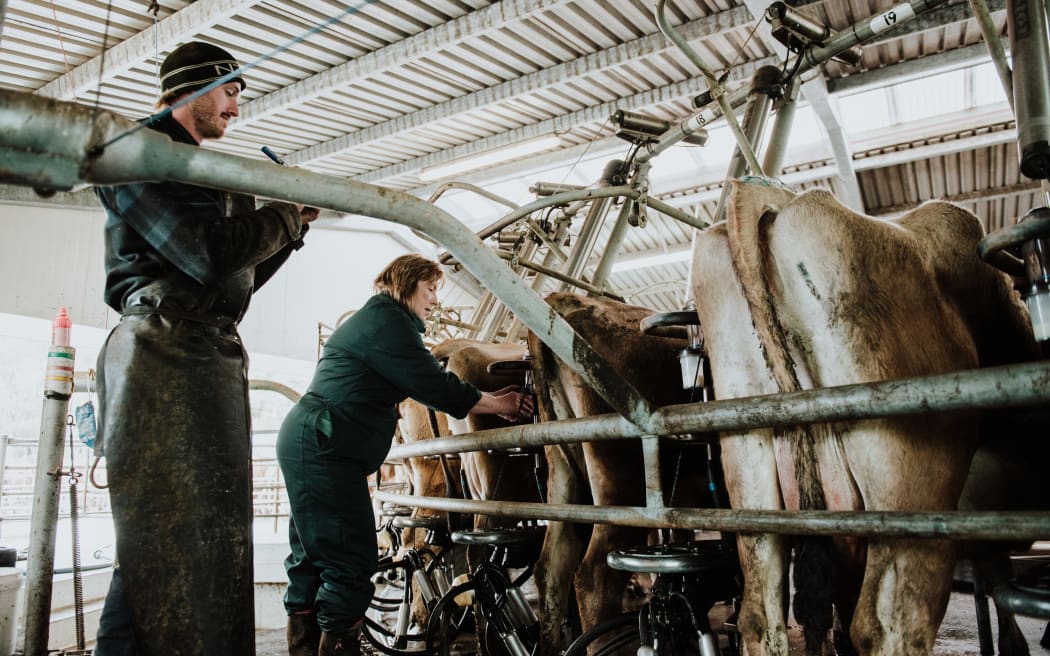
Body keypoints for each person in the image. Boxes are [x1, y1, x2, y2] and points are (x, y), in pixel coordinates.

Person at [92, 41, 318, 655]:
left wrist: (289, 232)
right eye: (231, 91)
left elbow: (229, 275)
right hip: (164, 349)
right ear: (193, 88)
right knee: (160, 540)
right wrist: (282, 219)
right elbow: (208, 252)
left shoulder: (206, 173)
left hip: (204, 347)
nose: (237, 108)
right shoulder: (136, 153)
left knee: (203, 539)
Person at [277, 254, 533, 656]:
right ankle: (337, 646)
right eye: (430, 288)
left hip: (316, 444)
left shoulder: (378, 320)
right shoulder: (388, 322)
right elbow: (434, 384)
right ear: (406, 283)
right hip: (324, 446)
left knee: (311, 555)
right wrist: (495, 404)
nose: (435, 299)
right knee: (351, 560)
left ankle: (304, 645)